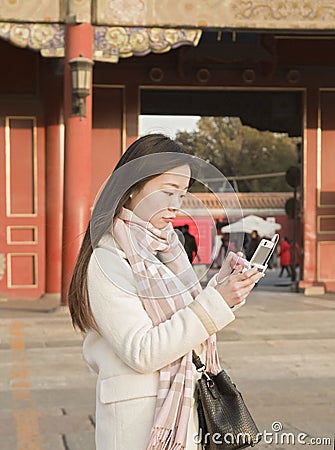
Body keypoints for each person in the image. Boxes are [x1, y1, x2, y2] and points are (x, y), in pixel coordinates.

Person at [68, 134, 263, 450]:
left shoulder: (166, 250)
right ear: (132, 190)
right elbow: (143, 351)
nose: (176, 205)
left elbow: (184, 320)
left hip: (183, 409)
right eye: (168, 192)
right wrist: (216, 302)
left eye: (183, 195)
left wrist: (223, 289)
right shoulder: (108, 259)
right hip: (139, 421)